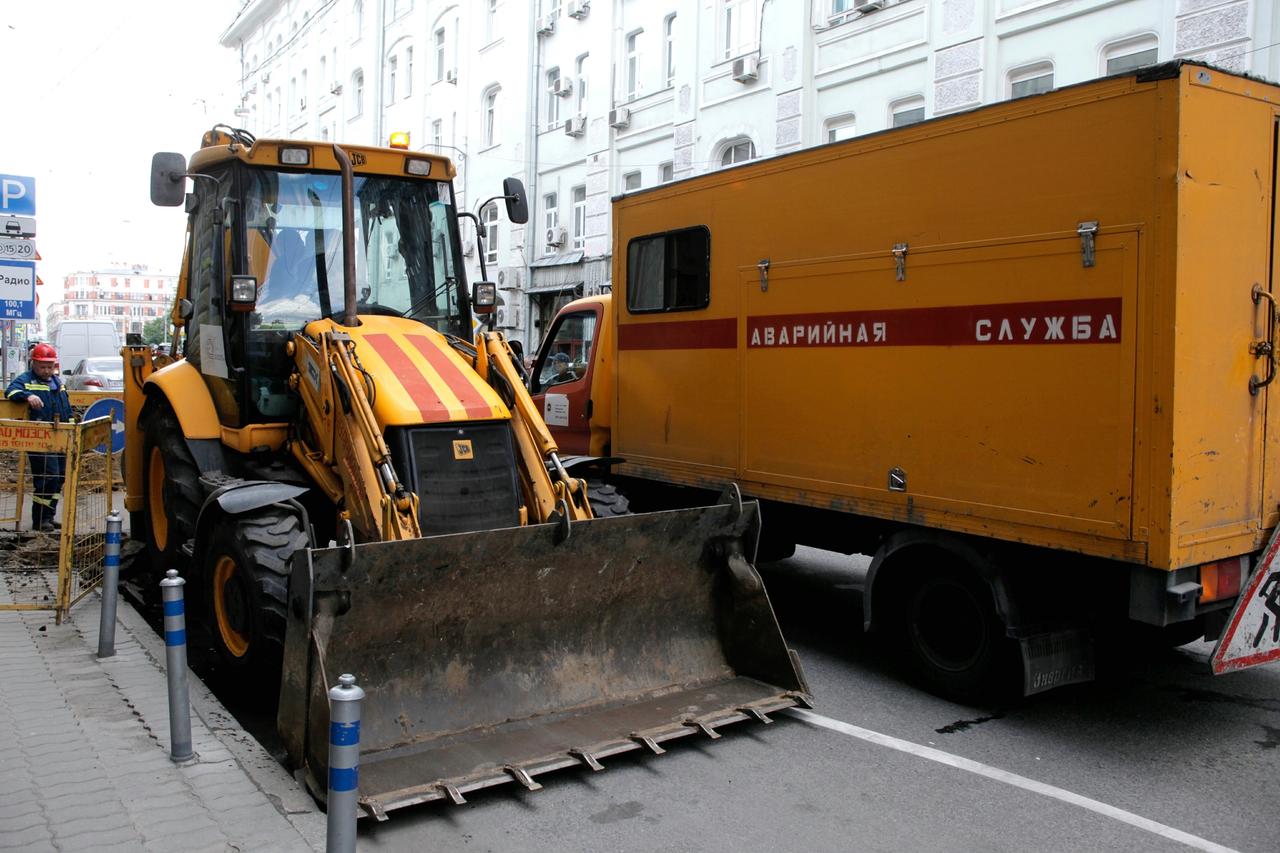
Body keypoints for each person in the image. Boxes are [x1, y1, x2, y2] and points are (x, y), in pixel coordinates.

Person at [6, 343, 73, 532]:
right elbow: (10, 391)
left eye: (50, 366)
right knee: (47, 476)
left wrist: (71, 427)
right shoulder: (26, 380)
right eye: (43, 366)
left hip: (60, 436)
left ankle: (49, 516)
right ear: (33, 363)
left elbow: (65, 407)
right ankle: (39, 519)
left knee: (59, 477)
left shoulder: (57, 382)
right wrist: (27, 396)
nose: (47, 370)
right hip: (40, 438)